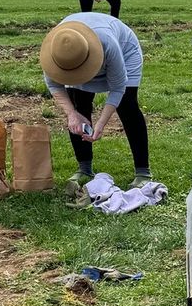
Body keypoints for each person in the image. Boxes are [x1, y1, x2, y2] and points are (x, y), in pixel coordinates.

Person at [39, 11, 151, 187]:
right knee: (78, 106)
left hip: (124, 51)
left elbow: (118, 88)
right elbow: (54, 85)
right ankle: (84, 169)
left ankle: (143, 172)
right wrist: (71, 114)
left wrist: (101, 123)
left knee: (127, 105)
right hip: (77, 57)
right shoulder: (56, 51)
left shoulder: (109, 44)